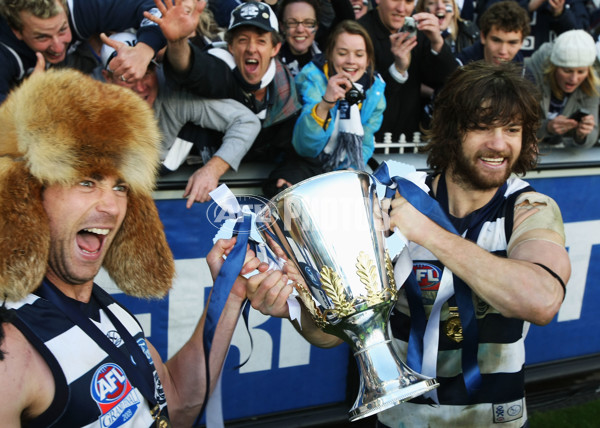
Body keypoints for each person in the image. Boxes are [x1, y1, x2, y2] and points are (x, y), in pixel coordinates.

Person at [245, 61, 571, 427]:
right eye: (481, 127)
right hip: (402, 419)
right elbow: (330, 336)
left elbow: (542, 301)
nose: (498, 144)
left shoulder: (528, 207)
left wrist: (428, 232)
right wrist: (296, 312)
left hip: (496, 419)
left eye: (512, 129)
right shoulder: (392, 199)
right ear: (451, 130)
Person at [0, 68, 261, 427]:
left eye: (121, 186)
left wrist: (228, 295)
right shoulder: (11, 348)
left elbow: (179, 404)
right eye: (87, 181)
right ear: (30, 194)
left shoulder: (109, 312)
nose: (111, 206)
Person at [148, 0, 303, 197]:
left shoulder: (286, 96)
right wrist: (177, 43)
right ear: (230, 46)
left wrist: (284, 180)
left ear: (275, 48)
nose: (251, 48)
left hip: (245, 193)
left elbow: (299, 155)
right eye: (242, 40)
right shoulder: (221, 68)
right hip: (176, 184)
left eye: (261, 41)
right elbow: (195, 70)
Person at [101, 32, 261, 206]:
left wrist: (212, 170)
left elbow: (246, 122)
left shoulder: (174, 98)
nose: (140, 86)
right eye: (127, 77)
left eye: (147, 71)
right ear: (107, 78)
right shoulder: (88, 115)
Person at [0, 0, 167, 104]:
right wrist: (26, 102)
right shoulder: (4, 54)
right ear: (17, 31)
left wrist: (145, 50)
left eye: (62, 30)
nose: (58, 47)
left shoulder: (82, 8)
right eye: (42, 37)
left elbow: (157, 7)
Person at [291, 20, 386, 176]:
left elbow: (366, 142)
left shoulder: (375, 92)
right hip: (306, 167)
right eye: (342, 53)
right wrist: (325, 103)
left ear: (368, 59)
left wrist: (352, 169)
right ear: (330, 55)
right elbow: (305, 147)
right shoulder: (311, 79)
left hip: (344, 171)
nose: (351, 60)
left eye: (359, 54)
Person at [358, 0, 459, 142]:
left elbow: (449, 82)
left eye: (409, 1)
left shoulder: (419, 31)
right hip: (367, 142)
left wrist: (437, 43)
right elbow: (361, 98)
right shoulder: (359, 34)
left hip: (410, 140)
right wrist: (398, 70)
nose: (401, 8)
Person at [525, 29, 599, 148]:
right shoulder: (529, 74)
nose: (574, 79)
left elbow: (593, 134)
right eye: (567, 71)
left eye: (581, 72)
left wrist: (582, 135)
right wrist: (547, 127)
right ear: (553, 67)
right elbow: (513, 127)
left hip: (561, 152)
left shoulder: (591, 84)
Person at [277, 0, 355, 76]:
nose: (300, 30)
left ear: (317, 26)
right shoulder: (273, 61)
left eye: (308, 22)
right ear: (282, 26)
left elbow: (347, 19)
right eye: (292, 23)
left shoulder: (327, 50)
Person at [457, 0, 530, 66]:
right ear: (483, 36)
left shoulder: (523, 72)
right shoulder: (461, 66)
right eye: (496, 40)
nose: (503, 51)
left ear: (521, 43)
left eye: (512, 43)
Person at [415, 0, 479, 55]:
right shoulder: (415, 38)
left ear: (454, 9)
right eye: (431, 3)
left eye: (445, 1)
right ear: (422, 10)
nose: (440, 6)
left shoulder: (470, 32)